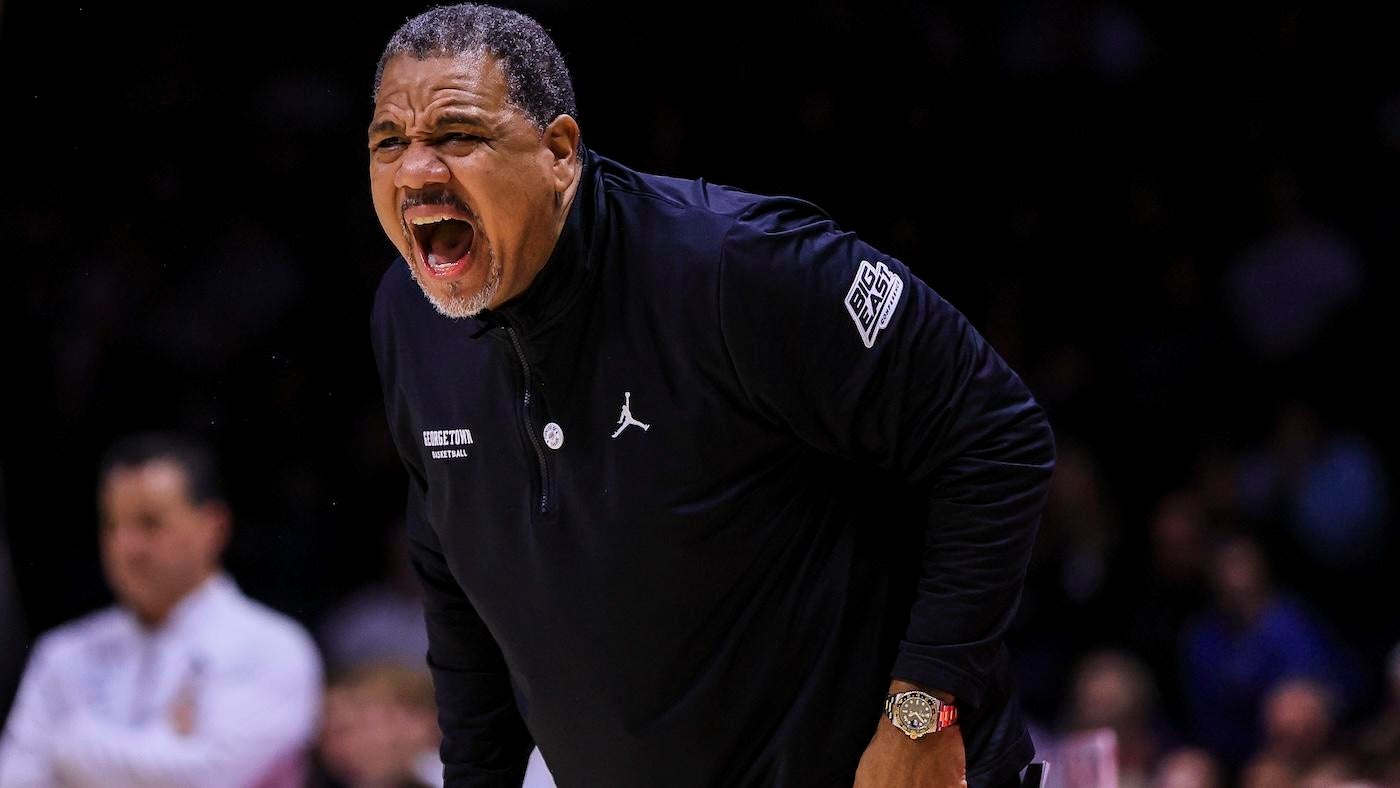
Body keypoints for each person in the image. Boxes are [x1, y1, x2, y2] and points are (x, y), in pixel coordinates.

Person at [366, 5, 1055, 787]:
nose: (416, 171)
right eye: (390, 142)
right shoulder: (409, 314)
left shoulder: (739, 268)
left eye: (458, 136)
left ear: (559, 151)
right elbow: (457, 581)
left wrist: (921, 714)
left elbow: (996, 435)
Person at [0, 433, 323, 787]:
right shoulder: (62, 652)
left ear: (213, 527)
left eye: (149, 523)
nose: (126, 546)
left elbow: (213, 778)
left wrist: (69, 746)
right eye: (112, 525)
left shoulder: (272, 645)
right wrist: (166, 747)